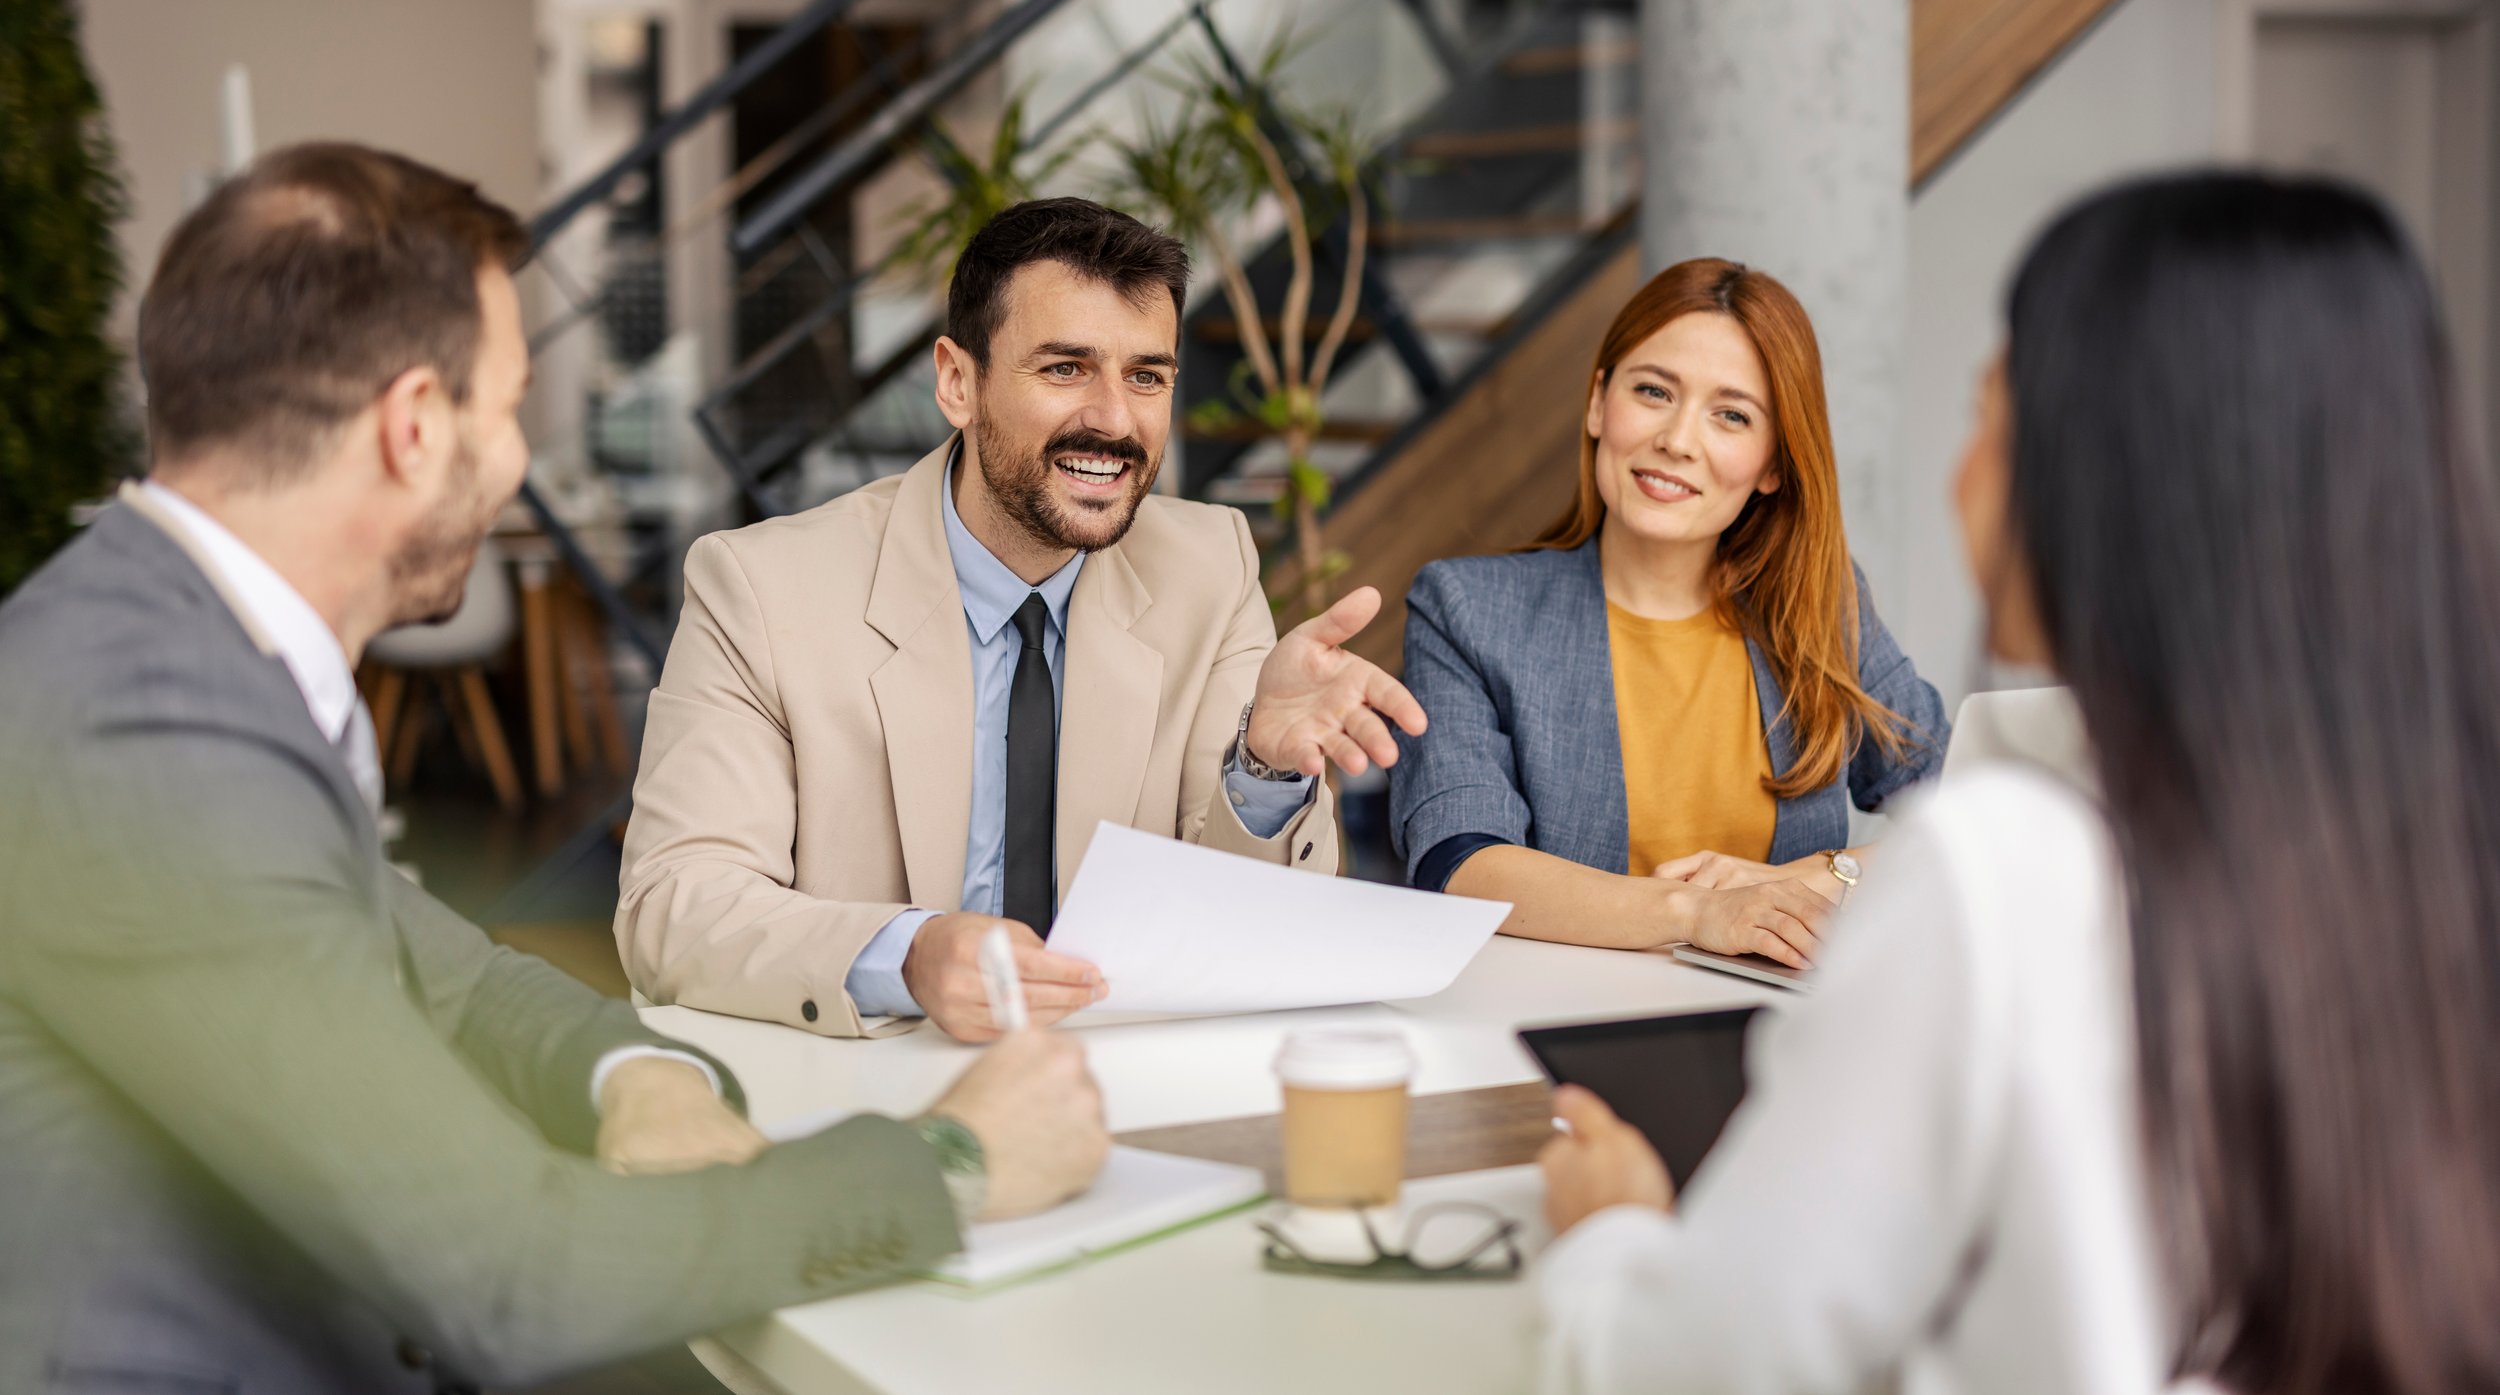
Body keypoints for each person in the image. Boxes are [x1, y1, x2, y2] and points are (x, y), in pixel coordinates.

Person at [0, 144, 1109, 1395]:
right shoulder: (146, 733)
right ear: (416, 426)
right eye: (507, 406)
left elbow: (451, 979)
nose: (517, 458)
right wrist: (954, 1158)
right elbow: (510, 1274)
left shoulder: (168, 648)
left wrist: (631, 1072)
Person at [1535, 173, 2500, 1394]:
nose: (1960, 477)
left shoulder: (1999, 867)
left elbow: (1707, 1363)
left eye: (1992, 419)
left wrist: (1609, 1232)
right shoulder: (2428, 849)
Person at [617, 197, 1425, 1041]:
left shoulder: (1211, 567)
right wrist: (910, 956)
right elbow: (674, 905)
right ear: (958, 382)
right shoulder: (762, 588)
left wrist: (1261, 769)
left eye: (1146, 375)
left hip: (1124, 1087)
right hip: (872, 1101)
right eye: (1065, 368)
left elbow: (1237, 928)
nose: (1115, 419)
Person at [1389, 260, 1945, 966]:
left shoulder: (1821, 605)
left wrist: (1826, 876)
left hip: (1788, 1030)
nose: (1678, 439)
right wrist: (1698, 910)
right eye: (1654, 391)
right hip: (1559, 1027)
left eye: (1732, 415)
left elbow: (1970, 807)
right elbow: (1461, 862)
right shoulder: (1466, 610)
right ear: (1598, 402)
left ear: (1774, 463)